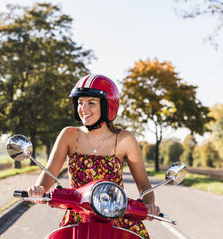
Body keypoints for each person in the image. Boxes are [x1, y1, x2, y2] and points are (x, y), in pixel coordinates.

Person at [27, 74, 159, 239]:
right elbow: (49, 173)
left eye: (91, 103)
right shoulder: (69, 135)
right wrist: (39, 189)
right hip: (78, 219)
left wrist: (149, 205)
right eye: (80, 103)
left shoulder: (125, 139)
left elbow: (145, 186)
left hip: (117, 219)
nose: (84, 109)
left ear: (107, 107)